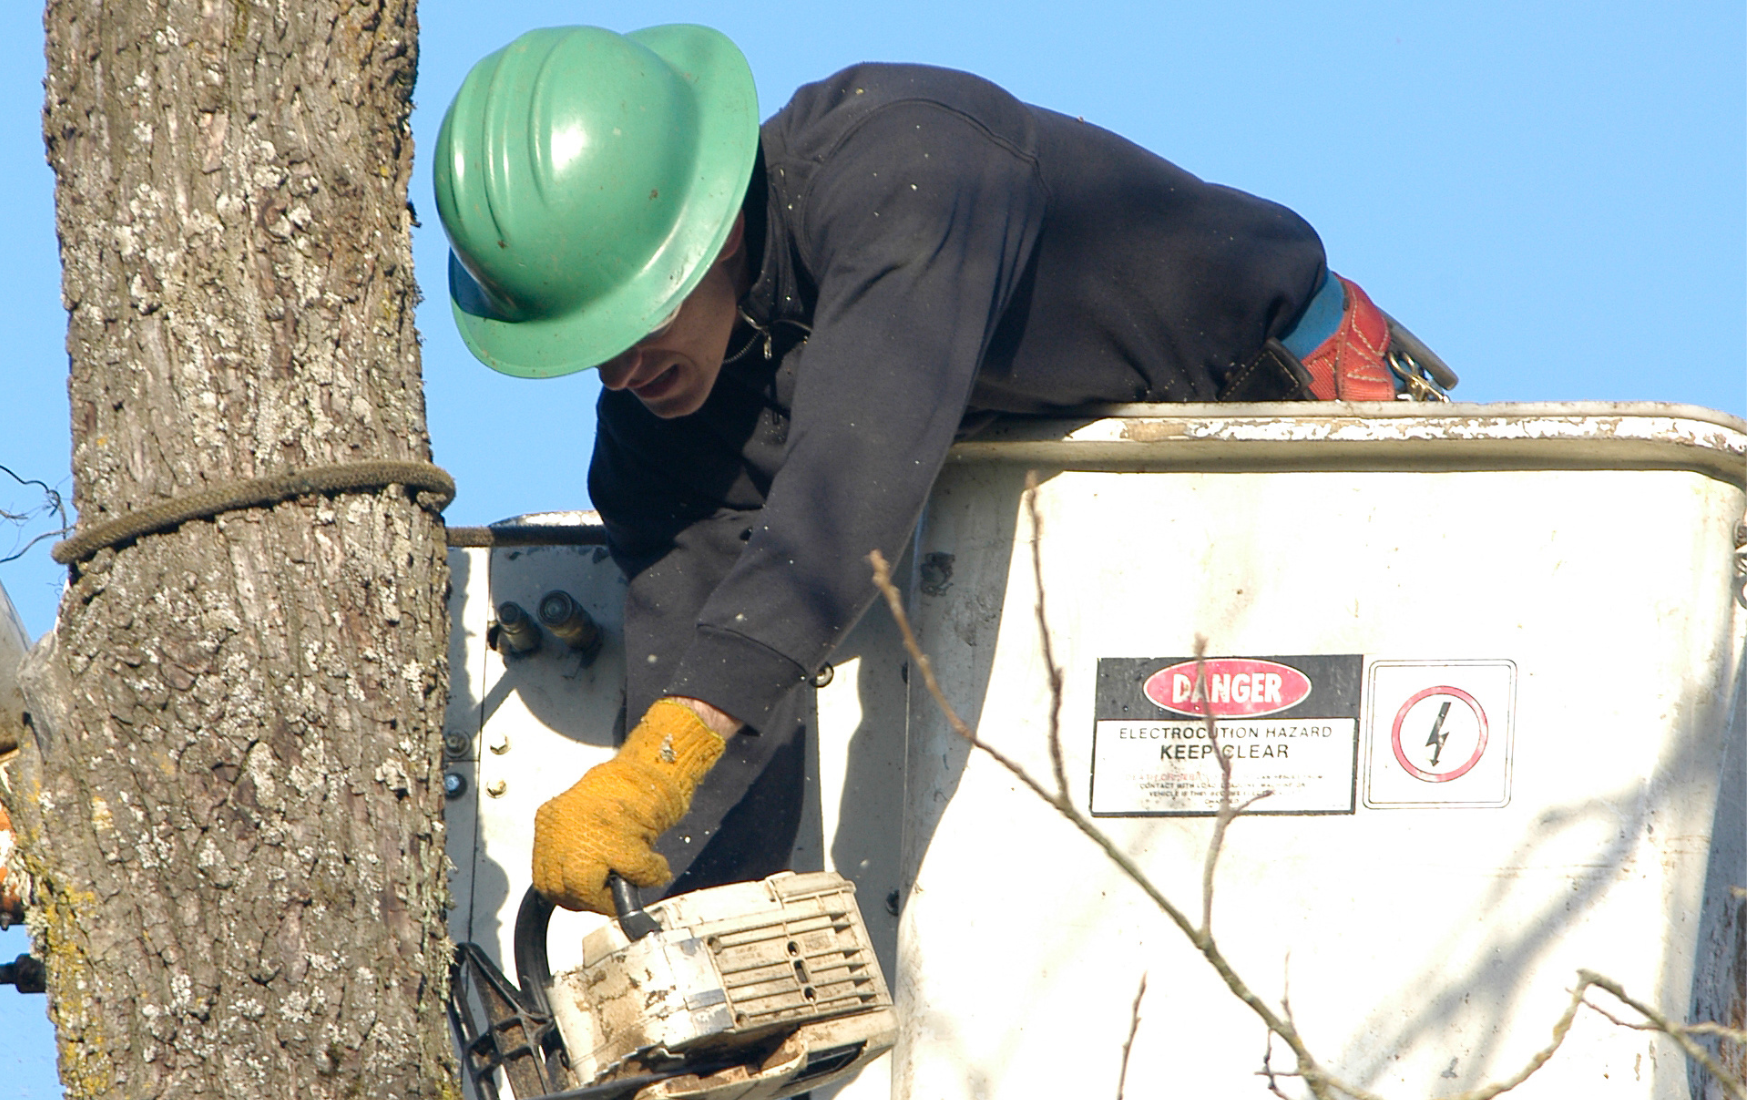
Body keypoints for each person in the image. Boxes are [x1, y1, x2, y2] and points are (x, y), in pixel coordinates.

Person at [433, 24, 1454, 917]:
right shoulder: (667, 412)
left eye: (631, 318)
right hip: (1066, 545)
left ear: (706, 232)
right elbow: (693, 640)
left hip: (1294, 440)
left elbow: (847, 476)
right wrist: (687, 924)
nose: (616, 368)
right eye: (588, 344)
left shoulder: (907, 163)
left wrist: (665, 757)